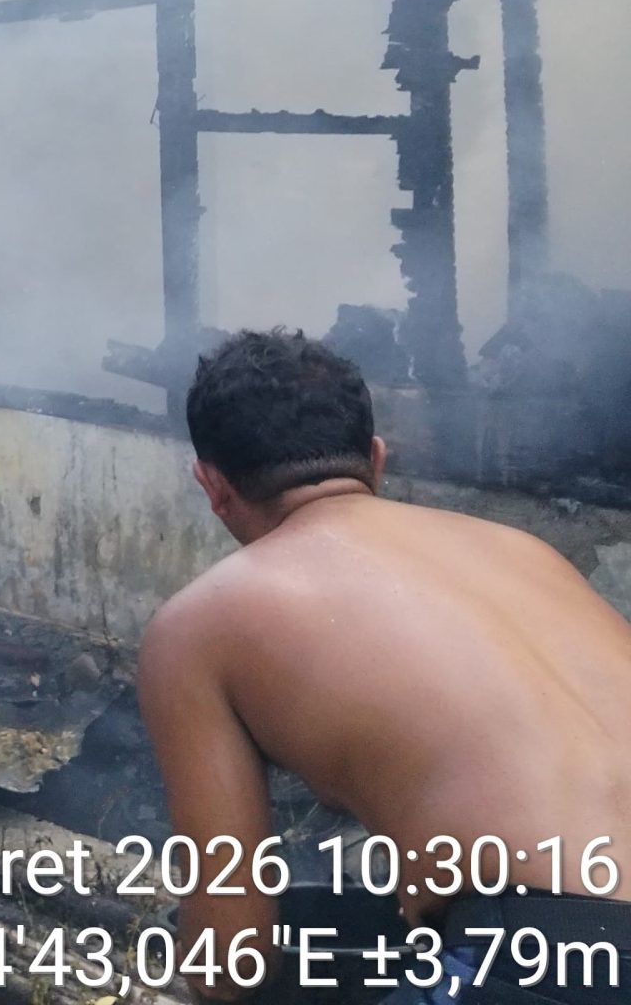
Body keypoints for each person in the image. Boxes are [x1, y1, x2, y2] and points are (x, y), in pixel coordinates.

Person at [139, 329, 631, 1004]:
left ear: (214, 486)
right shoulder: (526, 552)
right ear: (376, 458)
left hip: (548, 957)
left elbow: (230, 961)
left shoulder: (197, 624)